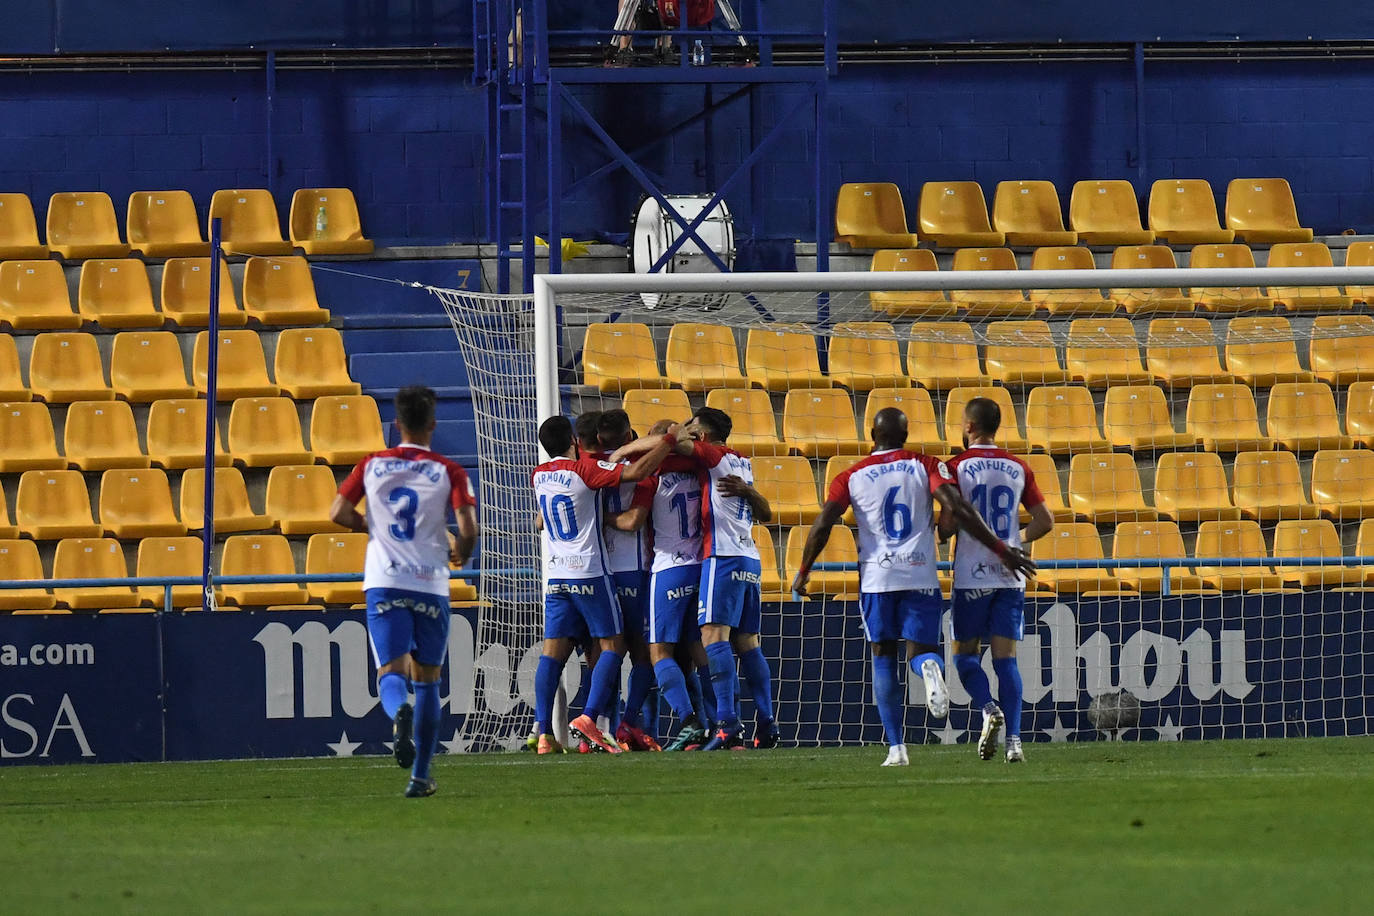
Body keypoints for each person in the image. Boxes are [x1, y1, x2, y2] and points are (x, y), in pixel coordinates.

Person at [790, 407, 1036, 768]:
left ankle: (897, 749)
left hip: (877, 579)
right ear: (905, 436)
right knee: (922, 651)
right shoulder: (927, 464)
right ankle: (930, 672)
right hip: (920, 575)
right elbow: (959, 508)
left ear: (871, 434)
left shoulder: (851, 475)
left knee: (883, 658)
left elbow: (824, 522)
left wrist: (804, 569)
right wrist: (1002, 549)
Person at [330, 386, 478, 798]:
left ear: (397, 424)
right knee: (429, 680)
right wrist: (461, 556)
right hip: (429, 583)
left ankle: (399, 713)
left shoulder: (372, 465)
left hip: (385, 581)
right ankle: (421, 776)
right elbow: (468, 530)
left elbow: (337, 512)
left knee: (390, 673)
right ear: (432, 424)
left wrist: (370, 527)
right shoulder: (450, 470)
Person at [612, 406, 776, 751]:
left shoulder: (668, 470)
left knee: (662, 650)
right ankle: (754, 723)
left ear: (700, 435)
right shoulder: (737, 462)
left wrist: (626, 450)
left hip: (689, 564)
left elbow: (635, 516)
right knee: (726, 646)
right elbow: (768, 514)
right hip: (726, 561)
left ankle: (700, 723)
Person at [530, 415, 676, 755]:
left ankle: (542, 732)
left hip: (556, 576)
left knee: (555, 654)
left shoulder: (539, 475)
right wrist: (668, 440)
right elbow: (636, 485)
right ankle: (598, 720)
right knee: (622, 647)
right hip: (600, 572)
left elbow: (539, 520)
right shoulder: (590, 471)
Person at [941, 397, 1054, 764]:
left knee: (964, 657)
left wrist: (943, 530)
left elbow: (946, 525)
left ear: (969, 427)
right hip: (1010, 576)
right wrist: (1015, 542)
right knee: (1006, 660)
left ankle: (988, 708)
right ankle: (1015, 743)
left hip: (971, 575)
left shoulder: (956, 466)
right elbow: (1045, 520)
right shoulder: (1018, 467)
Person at [607, 419, 714, 751]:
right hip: (701, 566)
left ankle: (687, 721)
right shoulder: (701, 468)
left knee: (657, 653)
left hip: (668, 568)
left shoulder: (652, 476)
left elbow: (634, 520)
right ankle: (719, 724)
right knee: (698, 653)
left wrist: (601, 518)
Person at [594, 409, 662, 751]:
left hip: (597, 572)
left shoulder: (587, 467)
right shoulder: (642, 470)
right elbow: (634, 521)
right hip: (633, 570)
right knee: (645, 655)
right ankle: (629, 724)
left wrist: (595, 517)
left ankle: (601, 727)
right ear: (628, 436)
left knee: (605, 654)